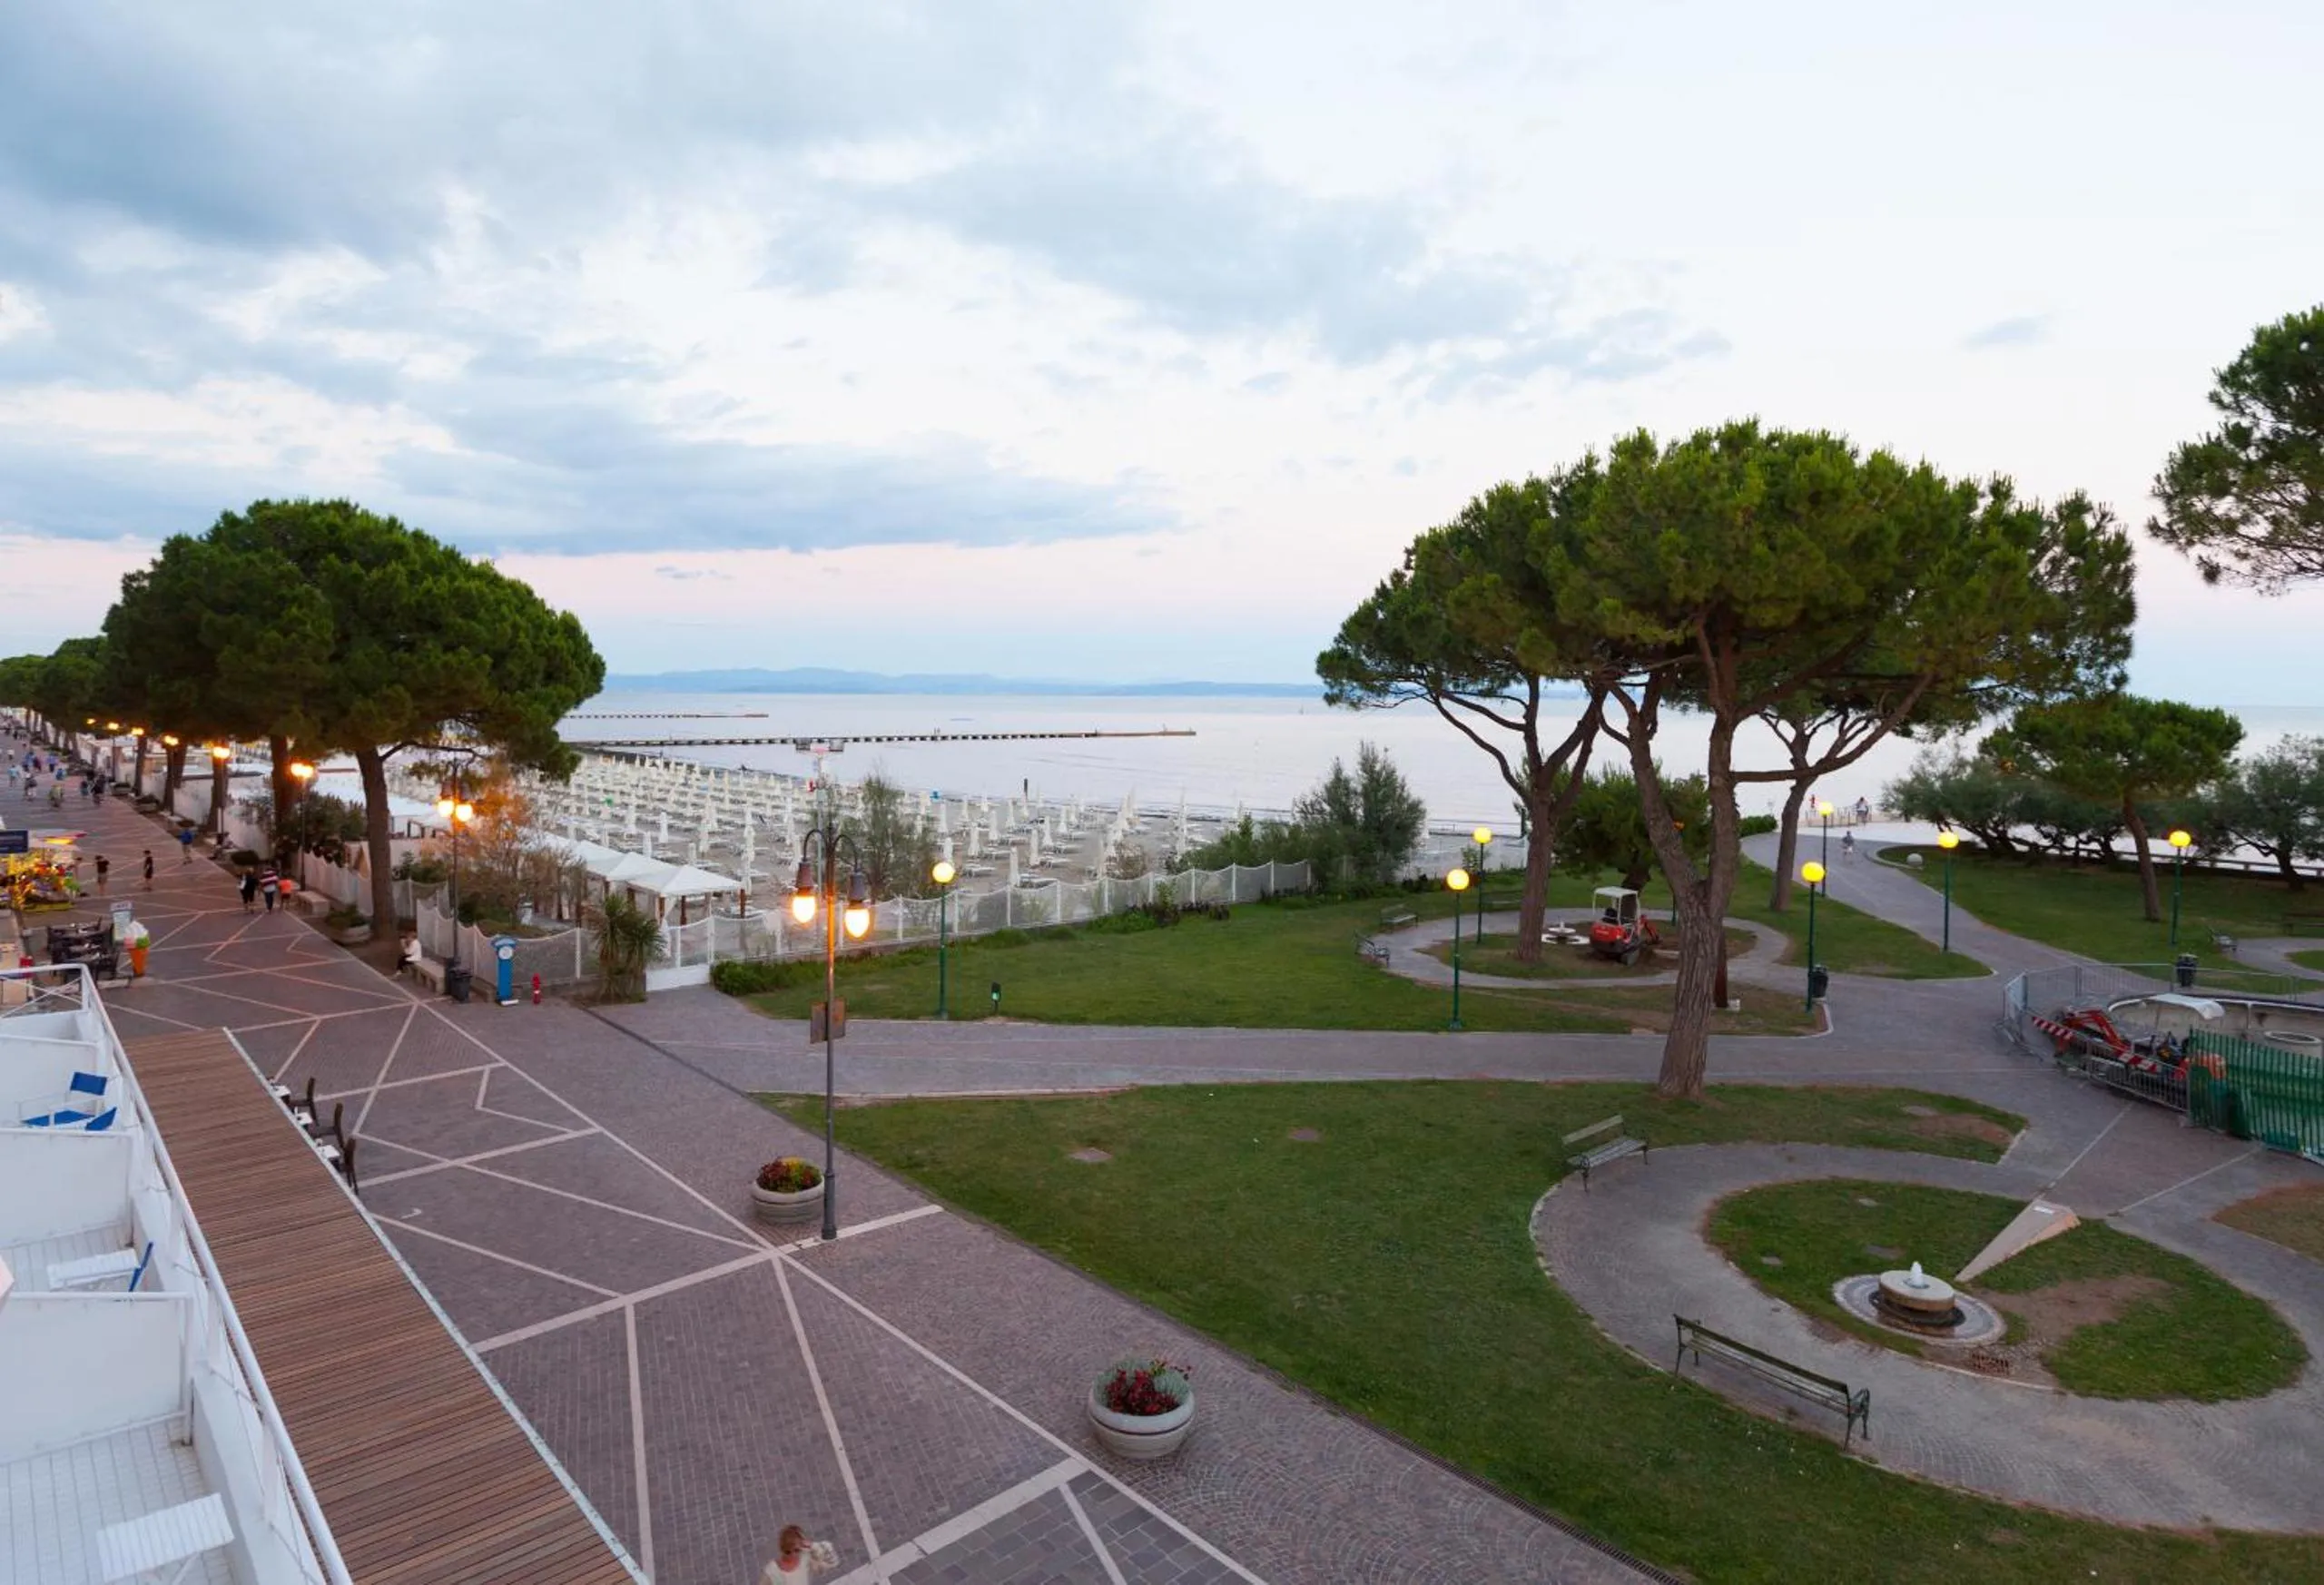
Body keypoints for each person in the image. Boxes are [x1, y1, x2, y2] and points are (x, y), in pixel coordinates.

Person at [763, 1525, 836, 1580]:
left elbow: (829, 1564)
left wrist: (814, 1547)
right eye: (788, 1552)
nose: (793, 1555)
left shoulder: (809, 1556)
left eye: (797, 1550)